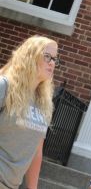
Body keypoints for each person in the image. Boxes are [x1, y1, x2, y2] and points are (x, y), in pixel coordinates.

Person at [0, 35, 59, 189]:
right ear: (30, 56)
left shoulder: (44, 103)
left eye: (54, 59)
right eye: (47, 57)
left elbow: (36, 151)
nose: (52, 62)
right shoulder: (4, 86)